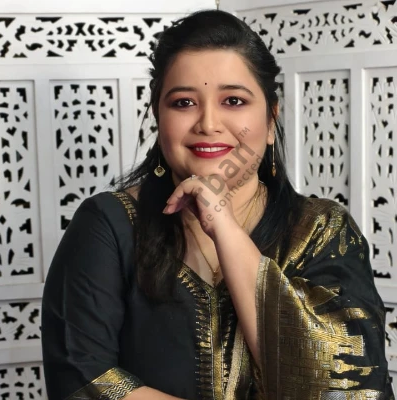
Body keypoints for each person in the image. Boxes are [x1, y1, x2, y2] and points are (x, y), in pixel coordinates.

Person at [41, 9, 394, 400]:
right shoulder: (109, 224)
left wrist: (223, 227)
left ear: (271, 118)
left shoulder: (323, 230)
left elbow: (349, 386)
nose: (208, 123)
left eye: (233, 100)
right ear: (158, 117)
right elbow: (82, 379)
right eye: (183, 103)